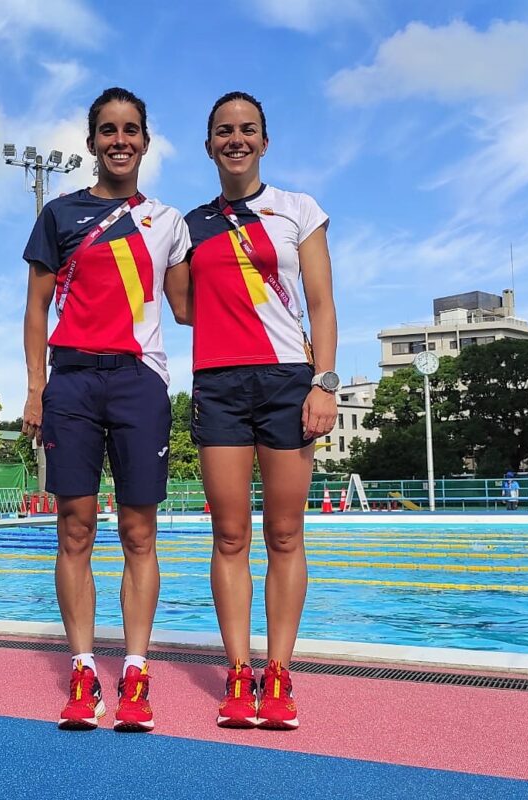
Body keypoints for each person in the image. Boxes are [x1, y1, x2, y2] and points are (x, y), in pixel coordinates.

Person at [21, 87, 191, 732]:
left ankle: (138, 673)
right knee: (75, 528)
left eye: (131, 130)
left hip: (139, 381)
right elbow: (36, 307)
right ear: (93, 142)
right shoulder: (60, 215)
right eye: (108, 130)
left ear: (145, 141)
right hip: (72, 382)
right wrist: (36, 388)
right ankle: (85, 670)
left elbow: (186, 307)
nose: (120, 140)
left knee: (139, 532)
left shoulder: (169, 221)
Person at [183, 91, 338, 731]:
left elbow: (323, 305)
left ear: (265, 142)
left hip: (286, 382)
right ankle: (238, 672)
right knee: (229, 536)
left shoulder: (297, 209)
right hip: (218, 383)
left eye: (248, 130)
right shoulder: (188, 224)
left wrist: (324, 383)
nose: (236, 139)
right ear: (209, 143)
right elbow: (185, 307)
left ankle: (278, 672)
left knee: (284, 534)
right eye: (224, 130)